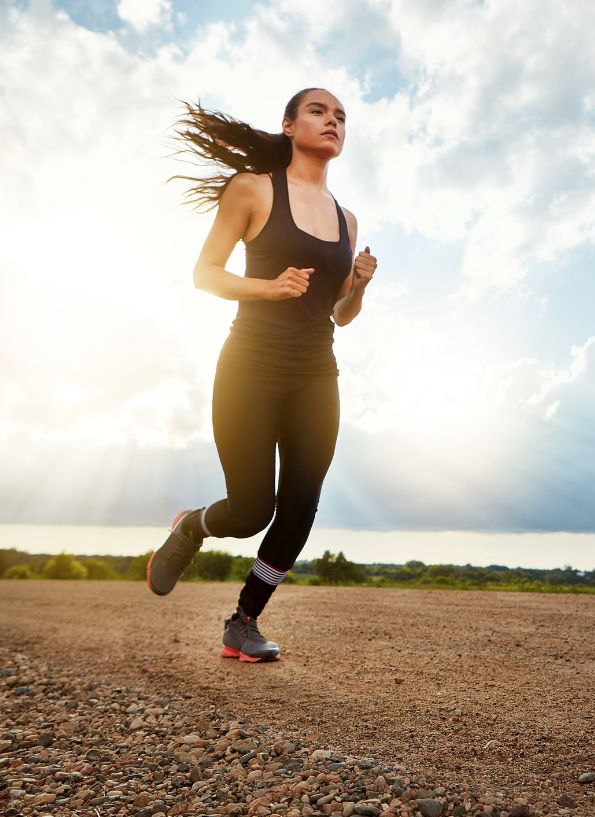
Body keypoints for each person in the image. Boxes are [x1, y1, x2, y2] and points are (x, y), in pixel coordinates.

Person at [148, 88, 377, 663]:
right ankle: (193, 527)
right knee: (252, 510)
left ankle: (244, 621)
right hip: (249, 365)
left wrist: (359, 286)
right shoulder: (252, 189)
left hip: (315, 372)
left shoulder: (347, 220)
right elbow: (205, 273)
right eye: (318, 111)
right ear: (289, 124)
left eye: (341, 116)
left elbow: (341, 314)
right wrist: (268, 288)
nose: (332, 121)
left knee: (300, 505)